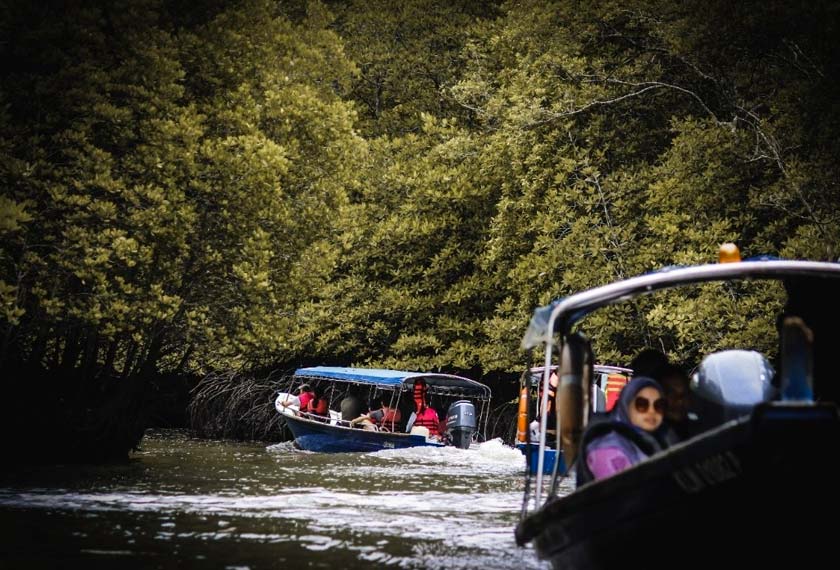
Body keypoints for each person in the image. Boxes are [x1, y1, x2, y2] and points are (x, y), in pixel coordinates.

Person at [580, 376, 670, 482]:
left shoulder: (658, 441)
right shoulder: (607, 449)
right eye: (642, 404)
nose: (651, 411)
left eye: (658, 405)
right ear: (627, 405)